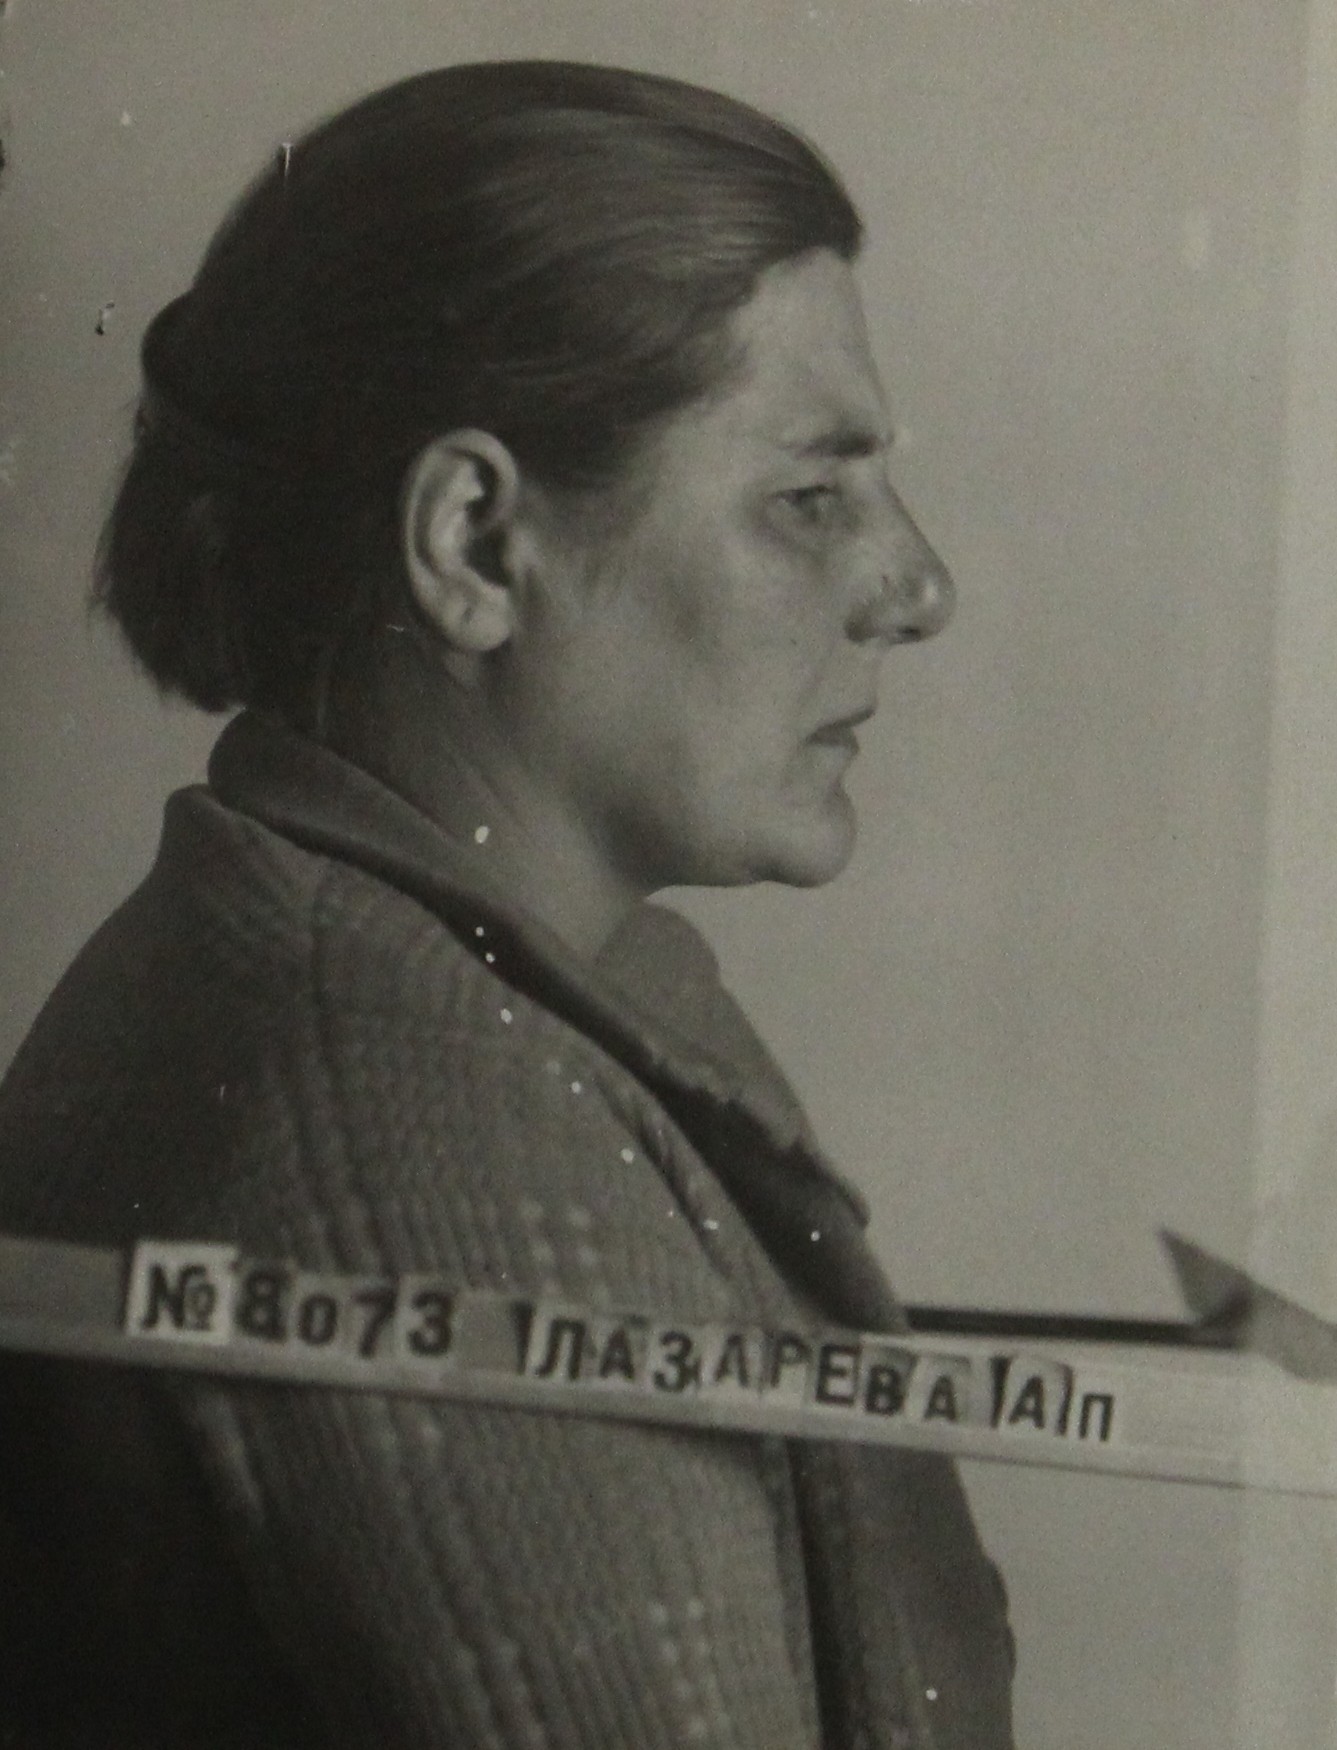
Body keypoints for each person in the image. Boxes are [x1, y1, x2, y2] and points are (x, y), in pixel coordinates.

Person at [0, 61, 1014, 1749]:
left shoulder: (439, 986)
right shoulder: (416, 1122)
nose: (918, 586)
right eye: (807, 498)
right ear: (474, 543)